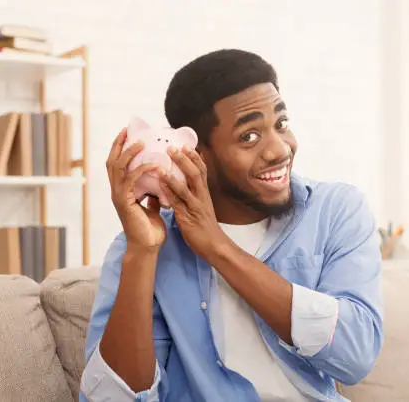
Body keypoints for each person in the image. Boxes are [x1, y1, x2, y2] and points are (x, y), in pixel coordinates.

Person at [80, 49, 383, 402]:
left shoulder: (335, 211)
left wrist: (217, 247)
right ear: (195, 153)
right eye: (249, 137)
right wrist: (143, 252)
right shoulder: (141, 245)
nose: (278, 150)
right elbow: (110, 399)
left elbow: (355, 356)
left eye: (281, 124)